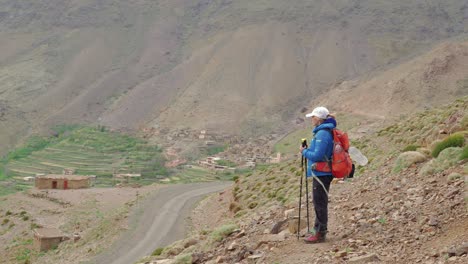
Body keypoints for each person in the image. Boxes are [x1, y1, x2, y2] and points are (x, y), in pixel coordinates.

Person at [300, 106, 336, 243]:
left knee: (319, 203)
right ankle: (318, 230)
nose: (312, 119)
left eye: (313, 117)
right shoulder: (324, 131)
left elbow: (318, 155)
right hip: (322, 172)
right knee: (319, 202)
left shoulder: (322, 134)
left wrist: (304, 152)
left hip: (321, 173)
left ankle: (319, 233)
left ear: (319, 119)